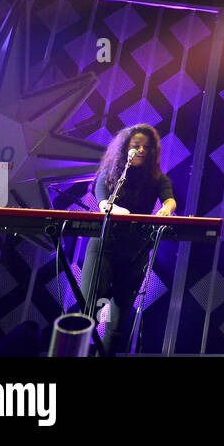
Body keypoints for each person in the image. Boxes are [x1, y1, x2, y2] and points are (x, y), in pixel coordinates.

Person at [84, 124, 177, 355]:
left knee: (119, 319)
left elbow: (170, 200)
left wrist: (166, 209)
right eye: (136, 146)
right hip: (104, 248)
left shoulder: (157, 178)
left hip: (135, 252)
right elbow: (103, 202)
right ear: (125, 148)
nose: (142, 150)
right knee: (89, 311)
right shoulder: (110, 174)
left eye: (147, 147)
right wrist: (114, 208)